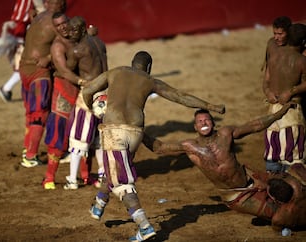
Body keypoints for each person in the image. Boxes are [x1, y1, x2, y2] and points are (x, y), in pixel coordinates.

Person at [82, 51, 226, 241]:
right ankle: (99, 203)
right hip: (136, 132)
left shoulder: (115, 72)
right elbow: (180, 96)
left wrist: (92, 108)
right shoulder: (150, 80)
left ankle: (144, 226)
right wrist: (211, 106)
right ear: (148, 67)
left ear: (131, 63)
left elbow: (87, 90)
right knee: (117, 167)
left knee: (122, 182)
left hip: (114, 130)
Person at [142, 105, 306, 231]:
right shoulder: (190, 146)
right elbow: (160, 148)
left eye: (206, 120)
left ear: (213, 123)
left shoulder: (226, 134)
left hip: (253, 178)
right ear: (195, 127)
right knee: (280, 215)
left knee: (293, 189)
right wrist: (139, 132)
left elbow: (255, 125)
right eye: (199, 121)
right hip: (237, 196)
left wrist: (280, 113)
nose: (203, 123)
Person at [62, 16, 108, 190]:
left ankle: (72, 180)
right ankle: (103, 176)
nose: (71, 34)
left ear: (82, 30)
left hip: (89, 94)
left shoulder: (78, 50)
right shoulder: (99, 42)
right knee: (99, 139)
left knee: (78, 139)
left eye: (74, 30)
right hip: (104, 93)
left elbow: (68, 68)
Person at [19, 0, 66, 168]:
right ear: (60, 4)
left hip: (24, 68)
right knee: (40, 114)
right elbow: (68, 45)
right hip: (39, 71)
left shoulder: (38, 17)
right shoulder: (58, 21)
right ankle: (30, 156)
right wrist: (48, 58)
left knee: (31, 114)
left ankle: (27, 150)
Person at [262, 22, 306, 172]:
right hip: (291, 112)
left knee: (272, 151)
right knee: (292, 156)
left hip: (272, 110)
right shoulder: (301, 60)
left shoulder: (273, 52)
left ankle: (273, 186)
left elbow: (266, 80)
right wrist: (292, 91)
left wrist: (268, 93)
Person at [0, 0, 46, 103]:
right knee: (25, 65)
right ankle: (6, 88)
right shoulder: (26, 8)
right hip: (21, 34)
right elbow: (21, 20)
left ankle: (7, 88)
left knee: (25, 66)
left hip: (21, 32)